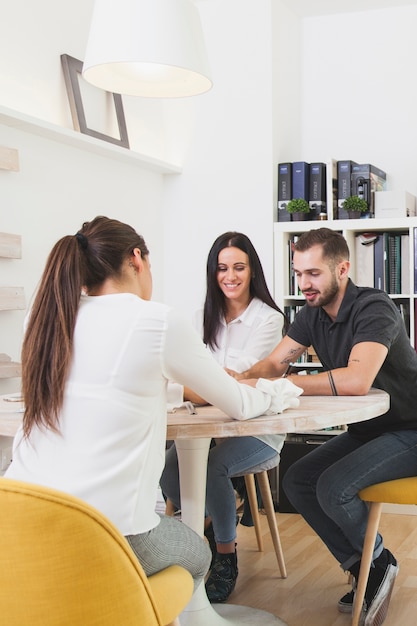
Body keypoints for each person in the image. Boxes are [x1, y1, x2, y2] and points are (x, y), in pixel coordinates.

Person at [4, 216, 300, 598]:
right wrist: (282, 391)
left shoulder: (45, 316)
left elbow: (119, 386)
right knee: (196, 554)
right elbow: (240, 402)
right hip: (109, 533)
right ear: (137, 259)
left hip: (16, 520)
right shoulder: (157, 320)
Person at [229, 227, 417, 626]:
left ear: (342, 268)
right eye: (298, 273)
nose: (304, 283)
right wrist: (237, 378)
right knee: (298, 481)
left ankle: (377, 562)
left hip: (411, 430)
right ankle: (364, 564)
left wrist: (278, 384)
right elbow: (273, 364)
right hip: (370, 431)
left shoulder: (374, 308)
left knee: (334, 486)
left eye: (313, 273)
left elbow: (355, 380)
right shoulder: (312, 316)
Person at [160, 231, 288, 603]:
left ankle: (226, 556)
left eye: (238, 267)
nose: (229, 276)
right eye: (221, 268)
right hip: (209, 425)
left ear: (252, 272)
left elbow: (234, 380)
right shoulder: (203, 316)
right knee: (168, 470)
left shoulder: (268, 320)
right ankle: (215, 520)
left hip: (257, 428)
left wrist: (195, 381)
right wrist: (198, 382)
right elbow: (198, 377)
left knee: (212, 468)